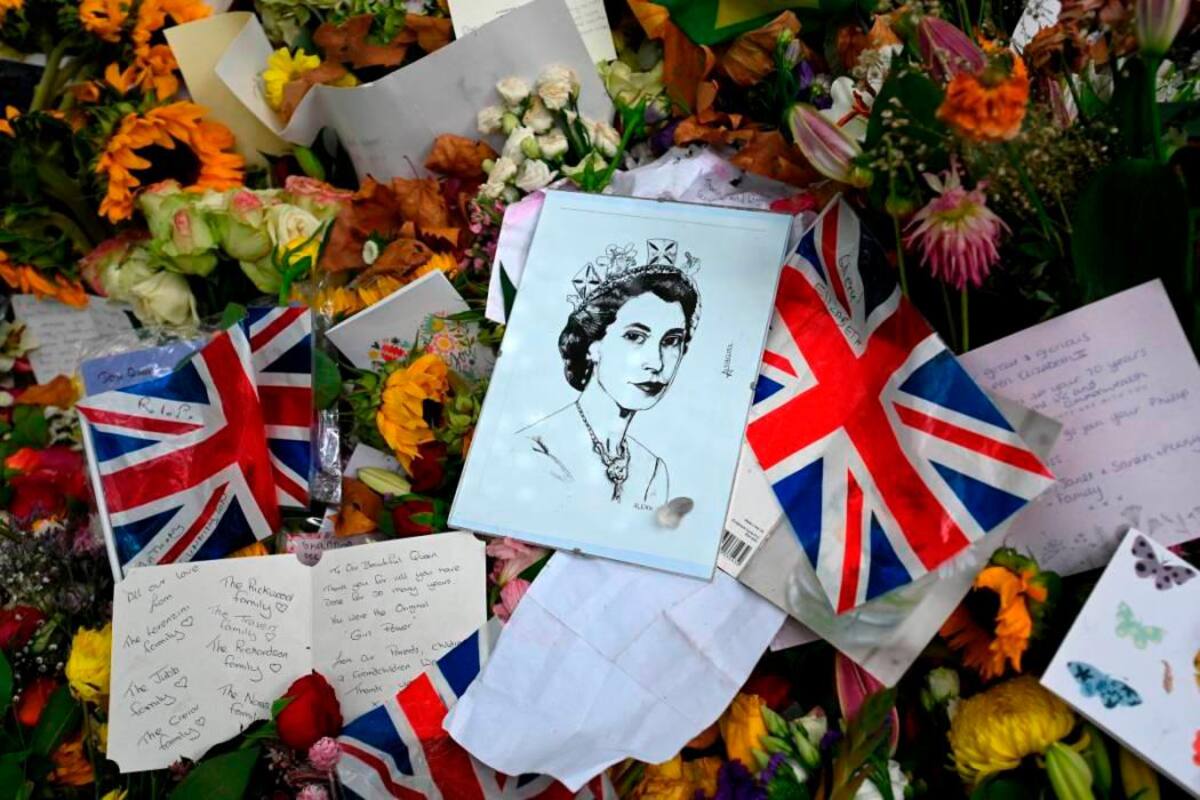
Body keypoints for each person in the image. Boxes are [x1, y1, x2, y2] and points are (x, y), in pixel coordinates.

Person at [519, 239, 701, 504]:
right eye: (635, 336)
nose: (657, 363)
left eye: (672, 340)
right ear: (592, 345)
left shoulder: (652, 469)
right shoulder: (537, 450)